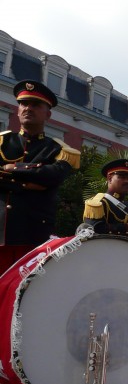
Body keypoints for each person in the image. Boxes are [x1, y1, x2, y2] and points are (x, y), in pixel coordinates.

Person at [0, 80, 79, 274]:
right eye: (24, 104)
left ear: (48, 114)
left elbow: (53, 176)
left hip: (33, 236)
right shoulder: (2, 141)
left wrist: (11, 169)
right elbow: (44, 178)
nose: (28, 108)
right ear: (17, 110)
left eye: (36, 105)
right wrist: (32, 179)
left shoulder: (58, 149)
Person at [83, 159, 128, 239]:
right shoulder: (99, 202)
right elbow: (91, 229)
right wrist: (125, 228)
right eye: (122, 177)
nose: (127, 181)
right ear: (109, 179)